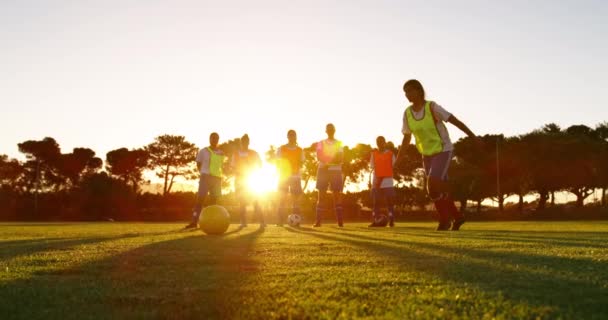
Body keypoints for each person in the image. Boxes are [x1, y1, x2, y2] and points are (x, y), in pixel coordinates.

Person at [396, 79, 480, 231]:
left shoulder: (432, 107)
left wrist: (472, 136)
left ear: (419, 91)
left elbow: (454, 121)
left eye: (410, 90)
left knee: (432, 183)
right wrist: (399, 158)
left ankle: (444, 220)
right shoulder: (407, 113)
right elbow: (407, 137)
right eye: (405, 92)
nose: (407, 94)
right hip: (426, 154)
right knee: (437, 190)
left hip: (443, 150)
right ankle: (458, 217)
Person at [185, 132, 226, 229]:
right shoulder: (203, 151)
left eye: (216, 138)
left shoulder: (221, 153)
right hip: (205, 177)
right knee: (200, 200)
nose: (214, 140)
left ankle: (212, 222)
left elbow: (221, 166)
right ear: (209, 139)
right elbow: (198, 164)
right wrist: (203, 173)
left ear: (218, 140)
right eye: (212, 138)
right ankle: (194, 221)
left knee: (214, 202)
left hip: (217, 179)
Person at [314, 123, 344, 227]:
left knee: (336, 195)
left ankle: (340, 222)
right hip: (323, 170)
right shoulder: (320, 143)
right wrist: (331, 160)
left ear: (334, 130)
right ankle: (318, 222)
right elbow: (319, 156)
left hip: (335, 171)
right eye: (328, 129)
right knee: (321, 196)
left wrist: (327, 161)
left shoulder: (339, 143)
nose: (330, 131)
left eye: (332, 129)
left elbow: (340, 158)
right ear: (326, 131)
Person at [232, 134, 265, 228]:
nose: (245, 143)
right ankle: (243, 222)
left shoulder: (254, 153)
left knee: (256, 201)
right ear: (241, 142)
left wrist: (256, 171)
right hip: (240, 181)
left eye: (246, 141)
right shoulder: (236, 153)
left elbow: (260, 163)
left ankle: (262, 222)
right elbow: (233, 167)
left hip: (251, 180)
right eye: (243, 141)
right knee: (242, 202)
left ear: (248, 142)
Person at [275, 129, 305, 226]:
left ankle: (296, 221)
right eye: (290, 135)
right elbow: (277, 162)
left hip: (295, 177)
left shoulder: (300, 150)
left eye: (294, 135)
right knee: (282, 199)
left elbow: (302, 162)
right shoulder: (281, 148)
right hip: (284, 177)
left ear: (296, 137)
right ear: (287, 137)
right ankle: (280, 221)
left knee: (295, 200)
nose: (292, 137)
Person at [369, 136, 396, 227]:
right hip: (377, 181)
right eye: (378, 142)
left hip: (387, 181)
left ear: (385, 142)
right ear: (376, 143)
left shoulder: (390, 154)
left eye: (381, 141)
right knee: (376, 202)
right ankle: (375, 220)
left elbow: (393, 165)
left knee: (390, 202)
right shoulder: (374, 154)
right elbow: (372, 166)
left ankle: (391, 220)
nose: (379, 143)